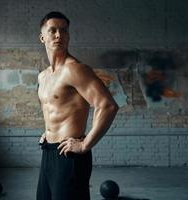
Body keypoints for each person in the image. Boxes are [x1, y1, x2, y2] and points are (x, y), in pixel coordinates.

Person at [36, 11, 119, 200]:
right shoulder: (43, 76)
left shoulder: (75, 70)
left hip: (70, 156)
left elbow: (107, 106)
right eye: (53, 30)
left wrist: (84, 145)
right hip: (48, 152)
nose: (59, 35)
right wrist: (48, 132)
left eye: (64, 31)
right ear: (42, 37)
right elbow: (54, 108)